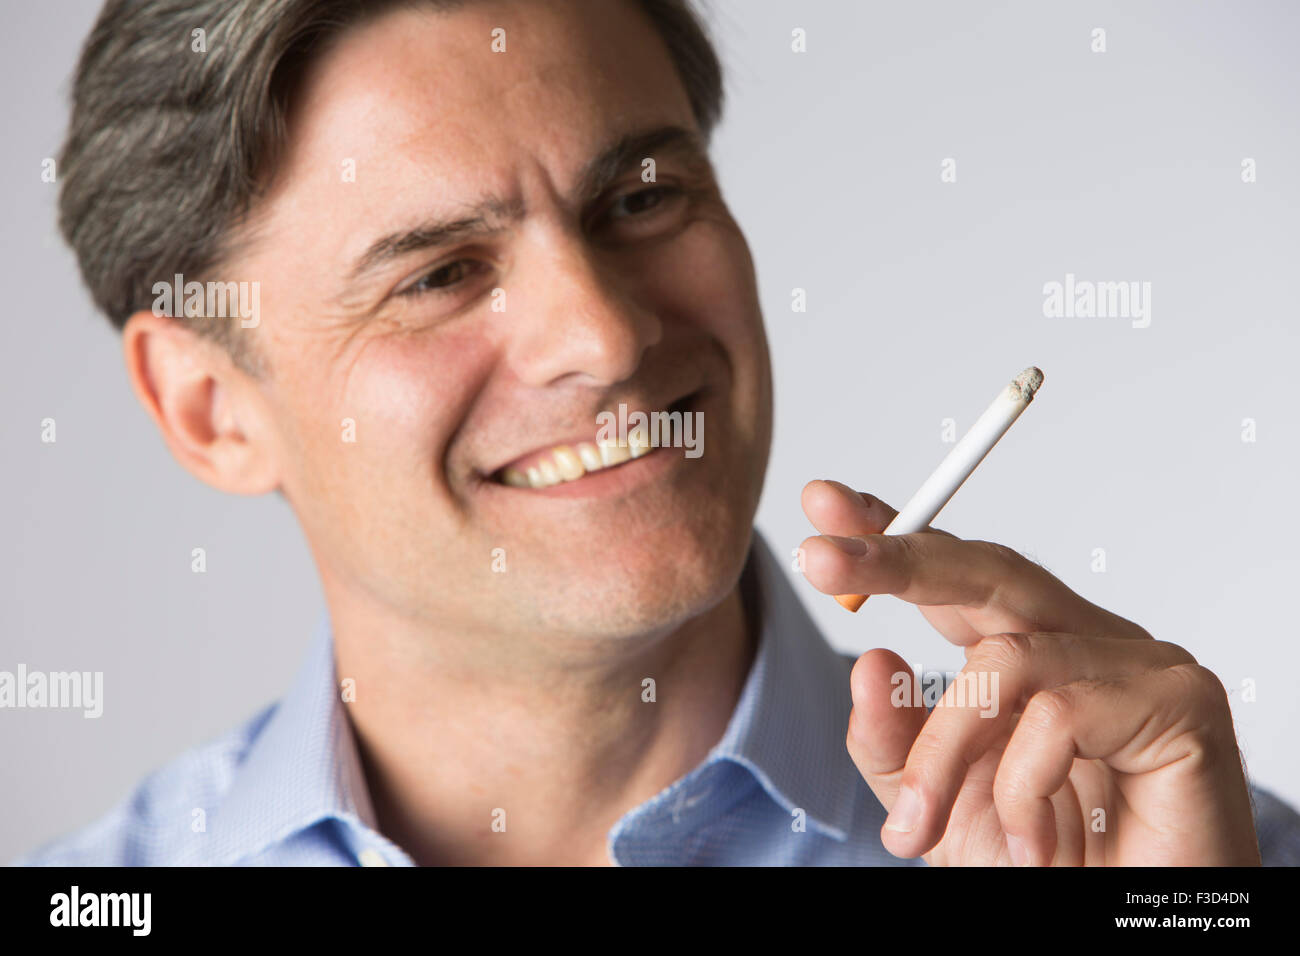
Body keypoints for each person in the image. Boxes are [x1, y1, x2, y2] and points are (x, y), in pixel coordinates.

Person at [19, 0, 1300, 866]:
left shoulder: (1172, 852)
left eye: (640, 196)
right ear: (210, 408)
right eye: (439, 273)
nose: (606, 334)